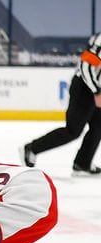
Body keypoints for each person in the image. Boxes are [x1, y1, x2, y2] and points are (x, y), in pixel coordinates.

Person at [21, 33, 101, 176]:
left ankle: (82, 164)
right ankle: (32, 148)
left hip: (96, 88)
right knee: (72, 130)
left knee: (98, 126)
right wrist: (96, 91)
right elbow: (86, 65)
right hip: (85, 87)